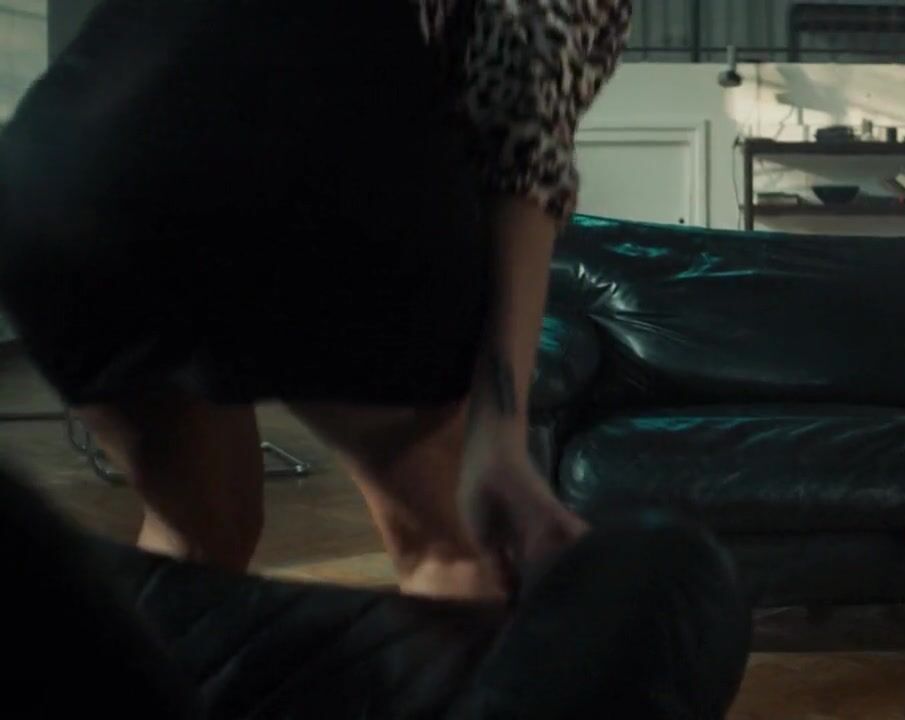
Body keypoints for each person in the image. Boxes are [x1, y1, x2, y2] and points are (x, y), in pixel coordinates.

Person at [0, 0, 633, 599]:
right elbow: (523, 150)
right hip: (316, 155)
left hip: (61, 178)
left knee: (194, 537)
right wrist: (500, 437)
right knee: (452, 548)